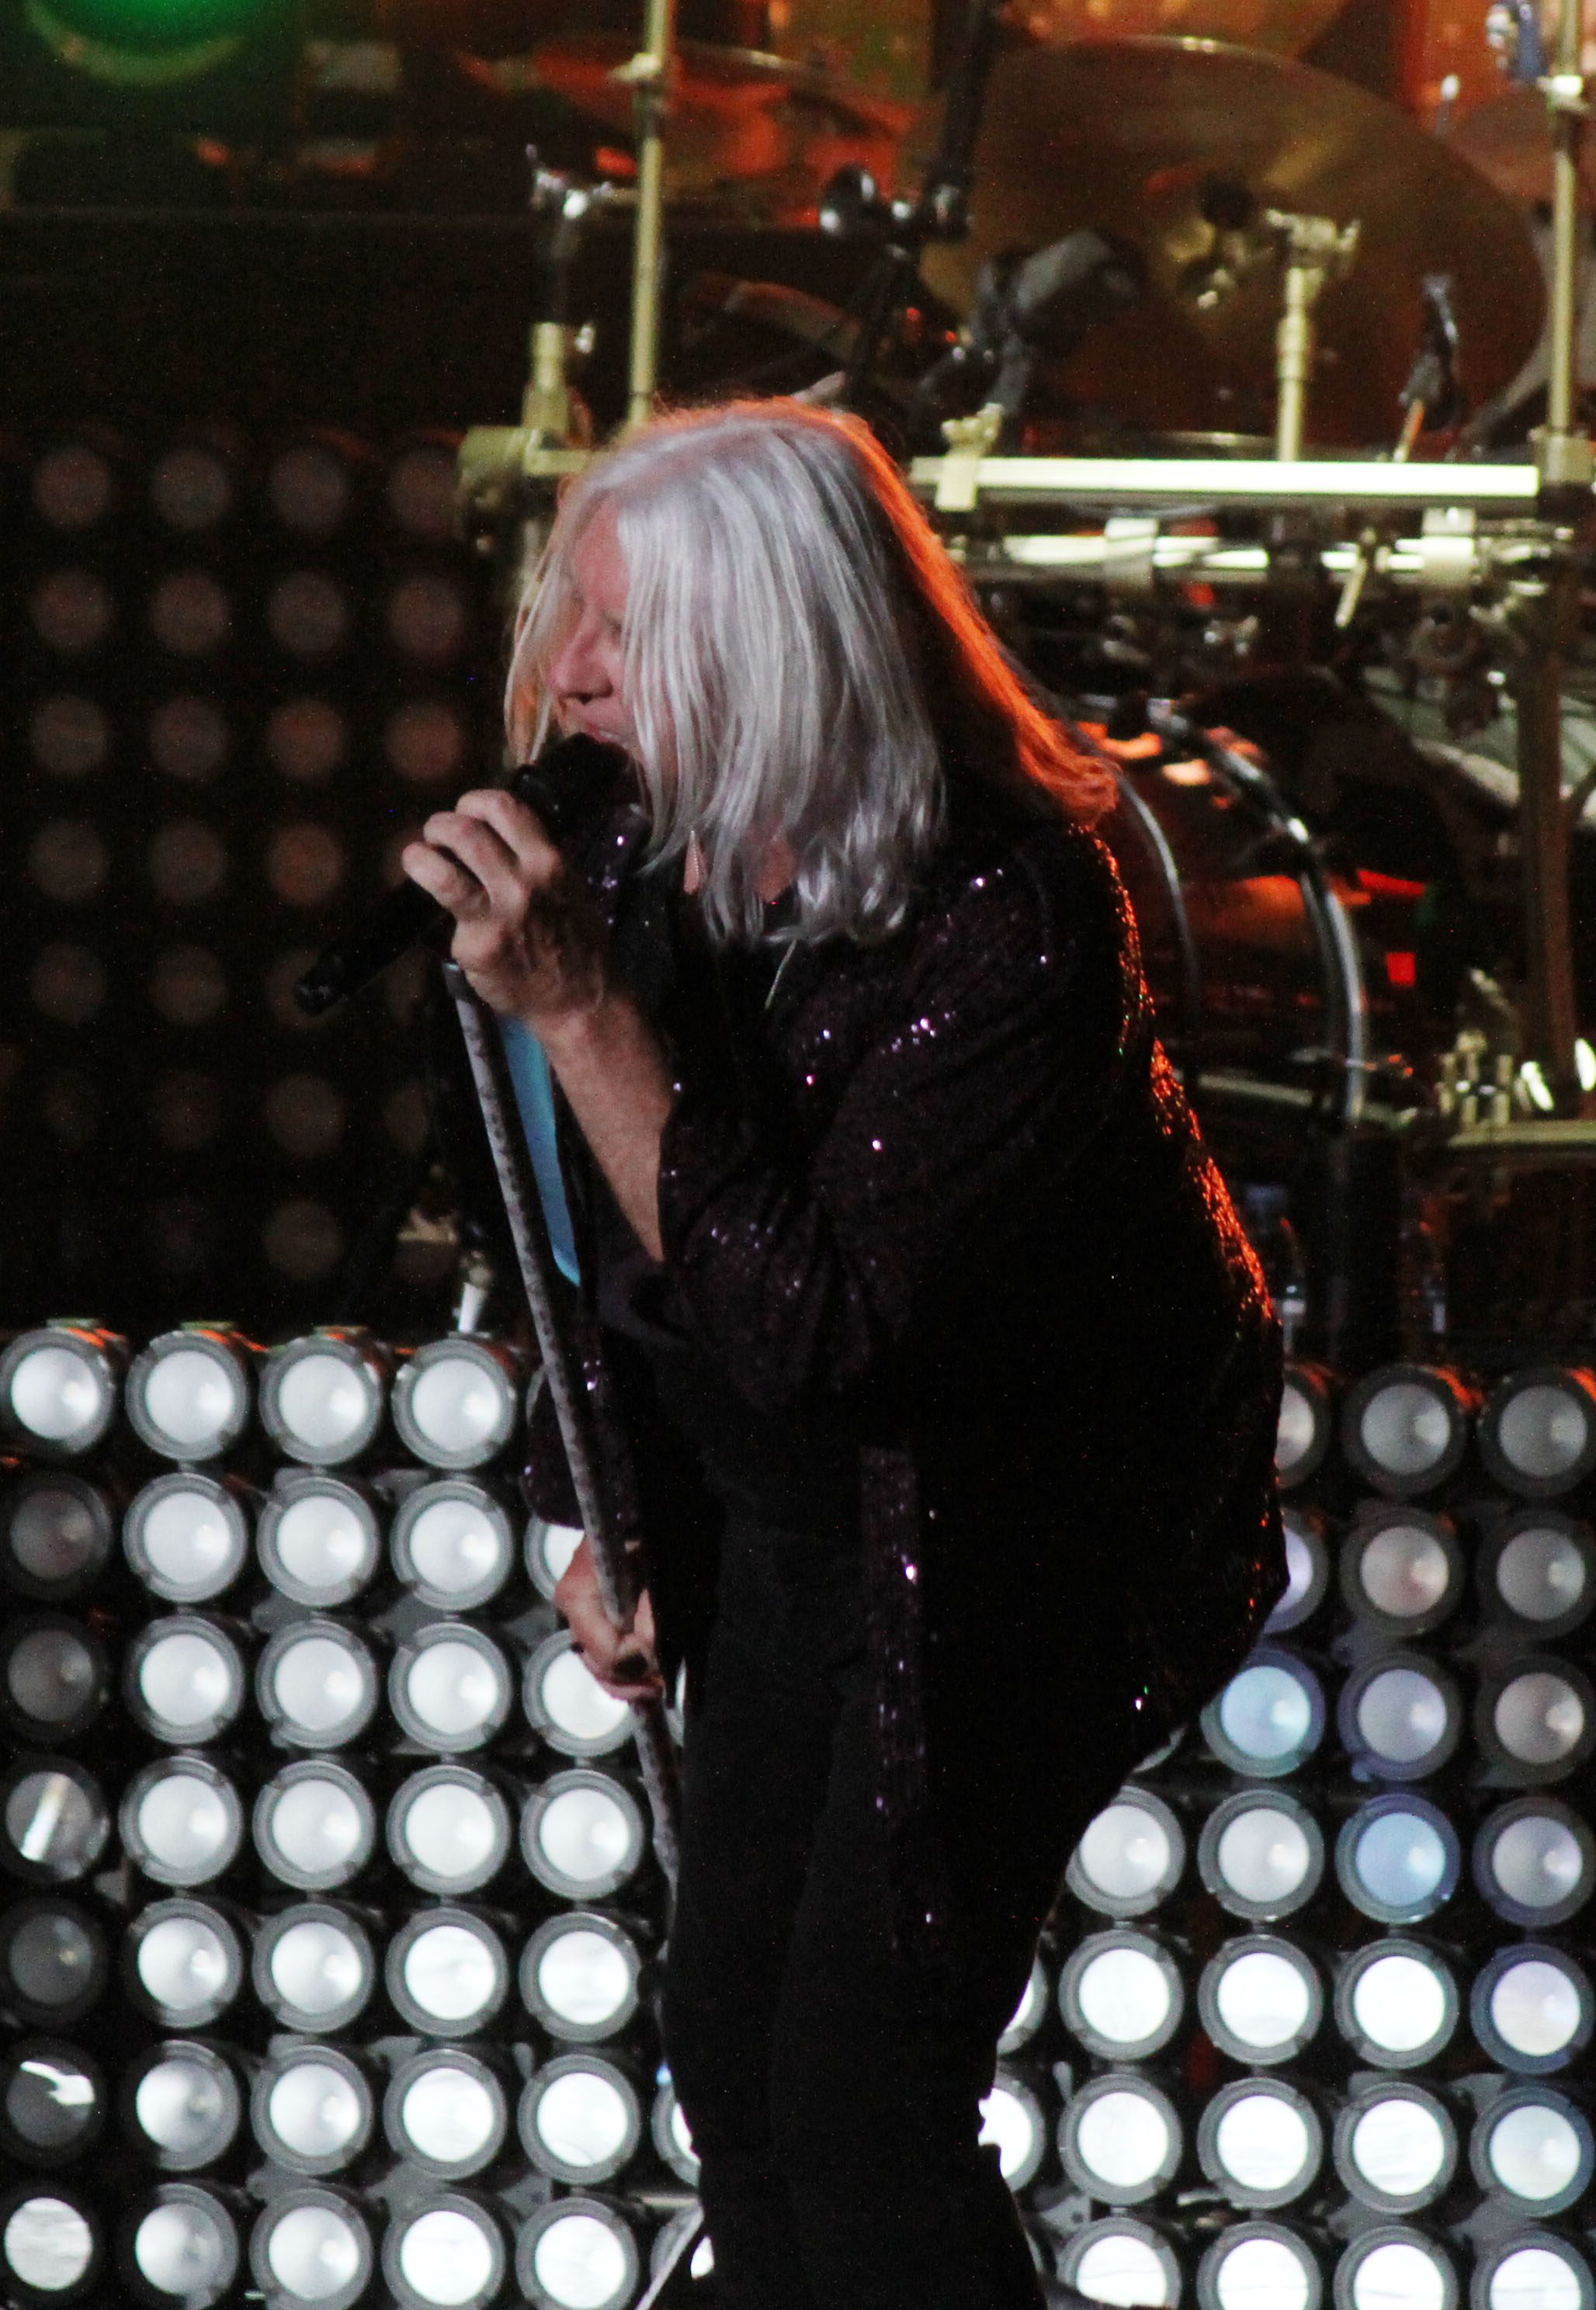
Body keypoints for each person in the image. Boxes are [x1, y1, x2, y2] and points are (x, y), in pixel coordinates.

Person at [401, 399, 1285, 2310]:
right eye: (568, 620)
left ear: (773, 637)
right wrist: (593, 1500)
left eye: (622, 633)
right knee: (730, 2061)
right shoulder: (641, 868)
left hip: (1010, 1550)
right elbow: (569, 1236)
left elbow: (821, 1329)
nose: (567, 674)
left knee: (861, 2095)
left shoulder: (1009, 915)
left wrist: (583, 1023)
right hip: (788, 1534)